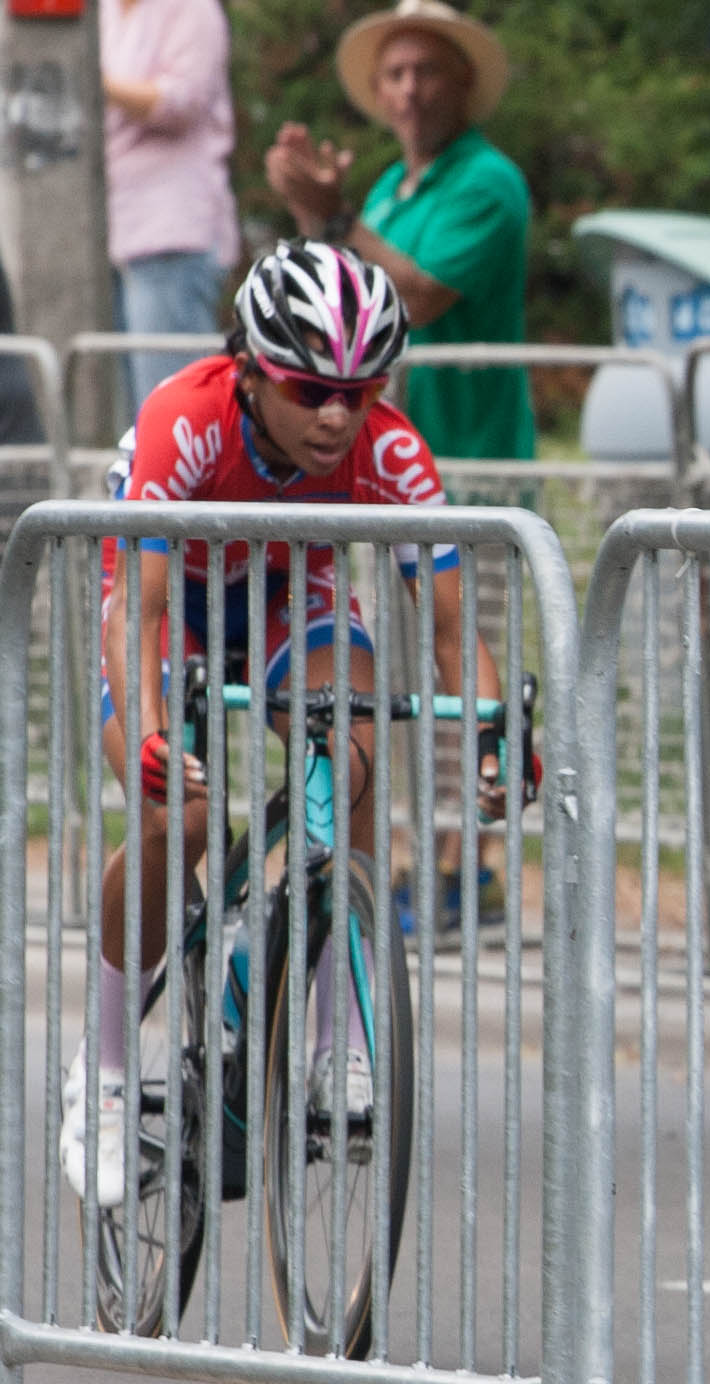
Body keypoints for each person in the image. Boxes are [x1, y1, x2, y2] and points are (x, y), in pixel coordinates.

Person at [60, 242, 537, 1208]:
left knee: (353, 747)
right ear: (249, 369)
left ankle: (339, 1042)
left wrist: (493, 727)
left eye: (360, 392)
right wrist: (156, 734)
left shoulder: (389, 448)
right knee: (178, 818)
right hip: (169, 612)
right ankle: (104, 1073)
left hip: (289, 596)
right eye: (309, 387)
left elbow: (452, 629)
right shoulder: (183, 421)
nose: (335, 415)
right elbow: (136, 614)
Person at [263, 0, 535, 932]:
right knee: (392, 674)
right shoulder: (390, 190)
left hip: (476, 460)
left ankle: (473, 871)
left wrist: (338, 216)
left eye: (428, 69)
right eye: (396, 72)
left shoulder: (488, 183)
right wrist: (314, 214)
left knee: (465, 655)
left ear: (466, 81)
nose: (411, 87)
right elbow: (341, 302)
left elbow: (412, 295)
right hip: (385, 465)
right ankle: (412, 866)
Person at [100, 0, 241, 411]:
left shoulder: (191, 7)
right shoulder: (105, 11)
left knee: (174, 411)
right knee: (135, 418)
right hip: (114, 232)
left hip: (172, 232)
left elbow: (183, 99)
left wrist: (97, 81)